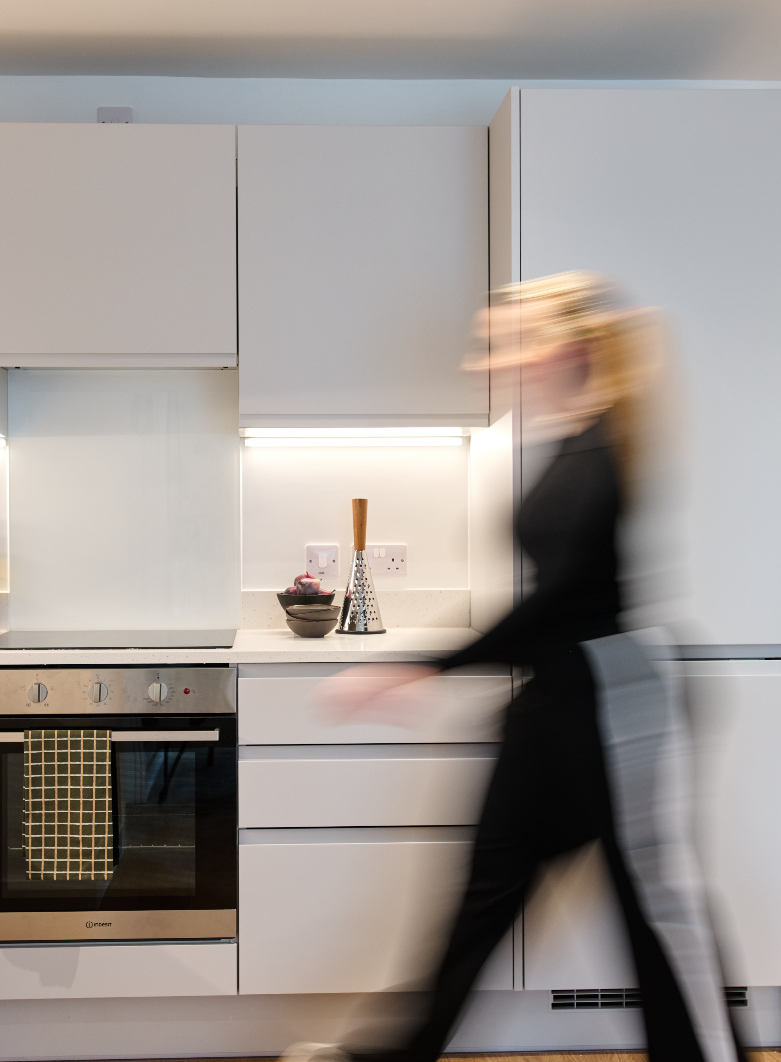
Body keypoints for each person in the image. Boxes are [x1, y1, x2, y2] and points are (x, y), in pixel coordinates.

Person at [289, 272, 741, 1062]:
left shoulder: (602, 449)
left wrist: (421, 667)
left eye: (501, 342)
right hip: (554, 703)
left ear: (563, 347)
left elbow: (562, 599)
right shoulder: (571, 442)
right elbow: (551, 606)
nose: (482, 361)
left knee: (657, 911)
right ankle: (401, 1052)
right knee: (484, 893)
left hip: (616, 702)